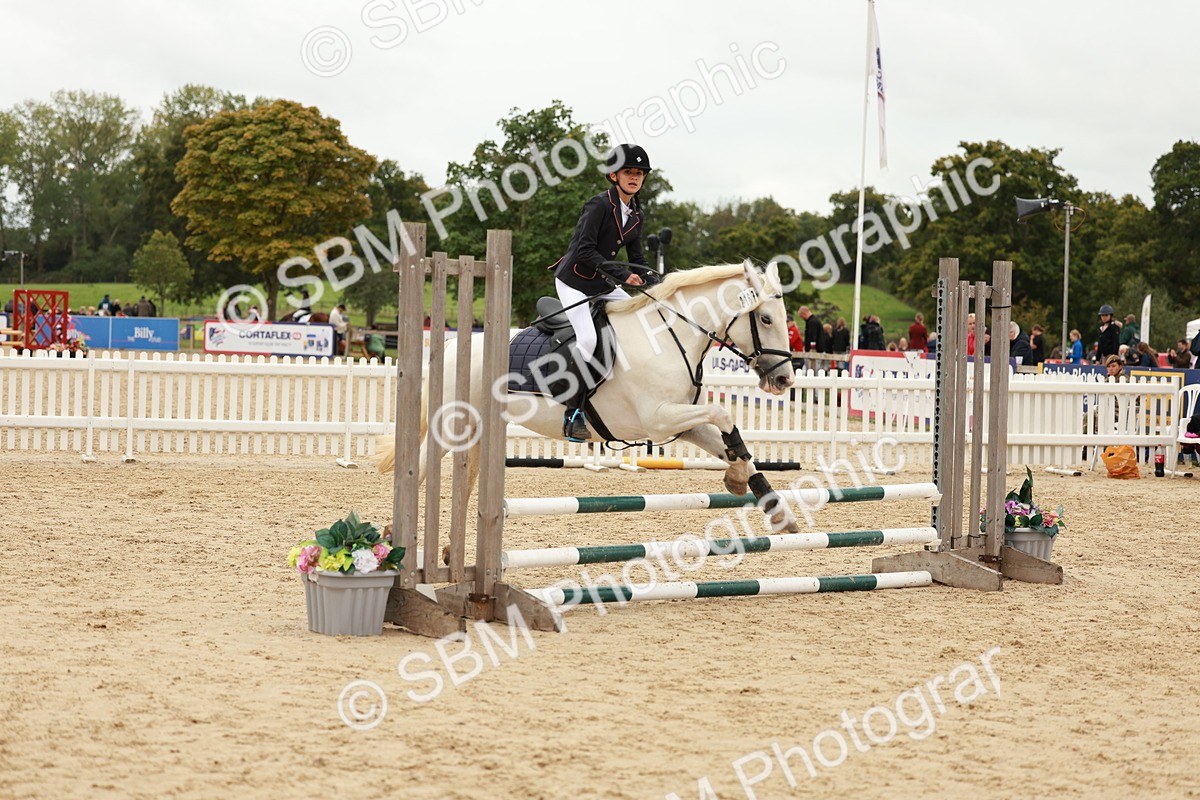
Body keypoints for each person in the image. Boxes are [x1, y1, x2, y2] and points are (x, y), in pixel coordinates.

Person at [548, 143, 657, 441]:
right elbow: (583, 251)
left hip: (602, 283)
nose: (634, 177)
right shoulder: (598, 205)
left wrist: (657, 281)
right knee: (588, 338)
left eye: (639, 173)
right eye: (629, 172)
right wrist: (623, 275)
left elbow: (637, 260)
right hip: (574, 280)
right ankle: (572, 413)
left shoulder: (635, 213)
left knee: (637, 323)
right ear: (613, 175)